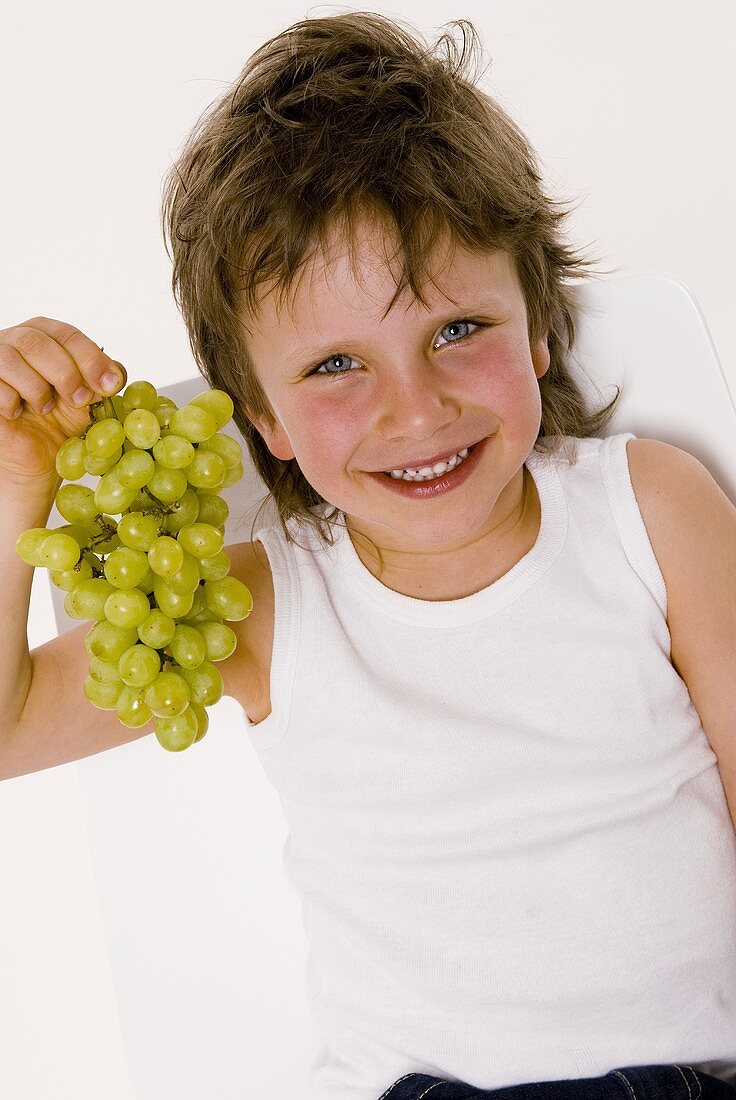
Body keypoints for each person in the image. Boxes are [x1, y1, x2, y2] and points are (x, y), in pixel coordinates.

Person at [0, 11, 734, 1100]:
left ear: (538, 325)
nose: (415, 408)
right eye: (338, 362)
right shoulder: (259, 602)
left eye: (454, 331)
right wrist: (17, 491)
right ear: (263, 419)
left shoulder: (646, 505)